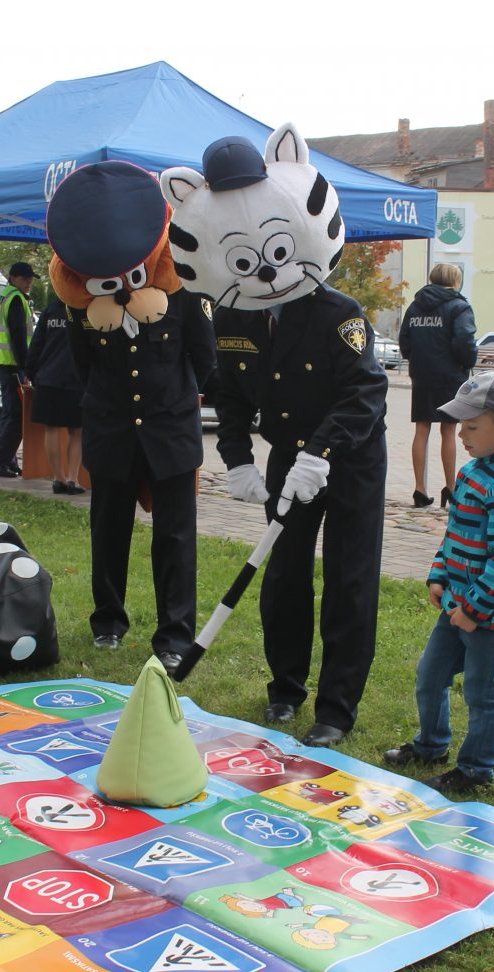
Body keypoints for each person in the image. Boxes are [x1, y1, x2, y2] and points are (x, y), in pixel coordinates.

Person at [161, 126, 388, 749]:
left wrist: (324, 452)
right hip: (289, 452)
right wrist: (237, 460)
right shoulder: (231, 311)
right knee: (284, 576)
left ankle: (336, 708)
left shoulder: (338, 313)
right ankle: (285, 690)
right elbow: (230, 395)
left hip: (351, 457)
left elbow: (367, 392)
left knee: (349, 578)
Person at [51, 161, 216, 670]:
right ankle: (109, 623)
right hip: (112, 428)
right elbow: (85, 365)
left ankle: (174, 633)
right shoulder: (84, 302)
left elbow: (204, 361)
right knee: (109, 531)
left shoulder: (183, 293)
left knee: (175, 538)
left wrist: (179, 403)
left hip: (169, 431)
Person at [381, 372, 494, 793]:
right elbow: (456, 533)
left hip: (486, 616)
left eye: (471, 427)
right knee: (430, 676)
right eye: (460, 426)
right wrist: (439, 573)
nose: (462, 436)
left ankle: (476, 769)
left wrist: (474, 610)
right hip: (457, 602)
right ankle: (431, 744)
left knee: (482, 693)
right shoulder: (476, 470)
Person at [397, 263, 477, 508]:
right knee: (448, 430)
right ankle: (451, 488)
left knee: (422, 429)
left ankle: (419, 489)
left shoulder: (415, 306)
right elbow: (464, 341)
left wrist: (417, 361)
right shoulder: (459, 307)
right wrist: (467, 363)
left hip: (422, 374)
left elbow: (404, 340)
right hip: (450, 375)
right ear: (455, 281)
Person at [23, 296, 85, 495]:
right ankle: (73, 479)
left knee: (51, 429)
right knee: (77, 432)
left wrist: (32, 373)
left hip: (48, 378)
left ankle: (58, 478)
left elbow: (36, 344)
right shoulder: (83, 310)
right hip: (76, 379)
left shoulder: (50, 311)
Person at [0, 262, 37, 478]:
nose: (29, 282)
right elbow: (17, 337)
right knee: (16, 417)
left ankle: (9, 460)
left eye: (30, 278)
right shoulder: (15, 299)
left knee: (9, 415)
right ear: (13, 277)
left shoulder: (5, 296)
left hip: (4, 363)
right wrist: (27, 367)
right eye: (25, 278)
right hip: (14, 365)